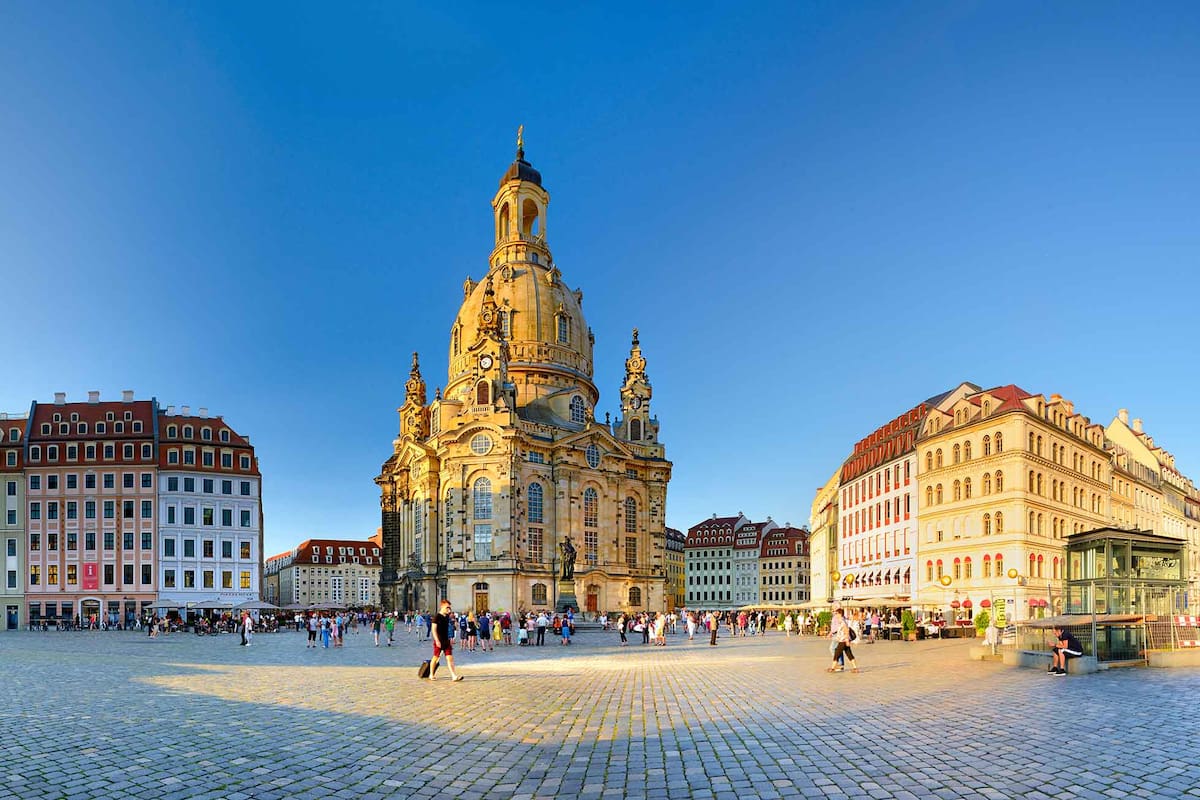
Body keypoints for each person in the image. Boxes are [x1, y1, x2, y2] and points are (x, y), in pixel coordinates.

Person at [430, 599, 463, 682]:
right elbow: (433, 630)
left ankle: (454, 676)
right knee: (435, 658)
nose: (448, 609)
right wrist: (437, 640)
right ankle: (431, 674)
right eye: (447, 607)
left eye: (449, 608)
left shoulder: (447, 616)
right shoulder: (436, 617)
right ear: (442, 607)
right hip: (439, 640)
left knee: (450, 658)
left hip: (446, 640)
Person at [827, 609, 859, 673]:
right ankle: (855, 668)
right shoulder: (841, 620)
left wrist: (847, 640)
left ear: (840, 614)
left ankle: (833, 668)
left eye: (836, 613)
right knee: (849, 654)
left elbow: (846, 630)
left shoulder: (842, 621)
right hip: (843, 640)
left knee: (837, 654)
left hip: (843, 640)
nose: (835, 615)